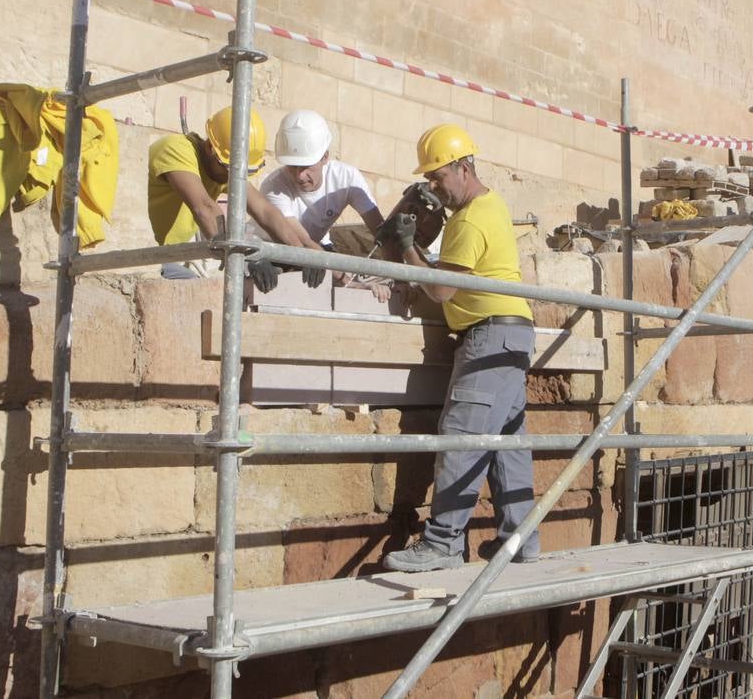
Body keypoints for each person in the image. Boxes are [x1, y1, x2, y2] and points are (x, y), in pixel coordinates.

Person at [379, 123, 539, 572]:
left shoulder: (469, 219)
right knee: (506, 442)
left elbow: (442, 291)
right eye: (429, 179)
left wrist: (410, 248)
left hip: (489, 336)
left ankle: (443, 543)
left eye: (439, 176)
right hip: (510, 334)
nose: (435, 187)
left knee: (461, 436)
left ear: (463, 167)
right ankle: (519, 540)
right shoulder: (489, 206)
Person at [147, 105, 323, 290]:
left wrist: (301, 255)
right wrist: (245, 258)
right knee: (203, 298)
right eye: (231, 169)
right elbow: (204, 208)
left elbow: (265, 211)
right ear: (209, 148)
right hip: (144, 258)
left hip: (167, 258)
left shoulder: (221, 168)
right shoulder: (176, 149)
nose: (234, 177)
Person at [259, 110, 392, 298]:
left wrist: (402, 279)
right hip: (275, 251)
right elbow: (300, 241)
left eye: (306, 166)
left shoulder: (347, 178)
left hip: (316, 248)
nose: (299, 176)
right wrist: (348, 282)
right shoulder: (274, 187)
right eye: (293, 167)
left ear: (325, 157)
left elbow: (381, 231)